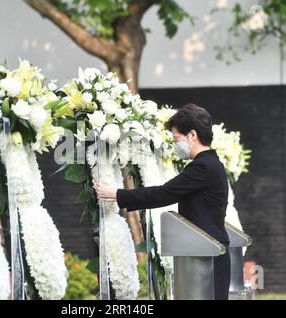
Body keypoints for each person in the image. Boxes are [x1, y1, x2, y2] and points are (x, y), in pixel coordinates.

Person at [95, 103, 231, 300]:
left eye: (176, 139)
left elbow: (164, 193)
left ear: (192, 135)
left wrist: (117, 194)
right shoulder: (210, 164)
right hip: (206, 254)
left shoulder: (203, 167)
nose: (176, 145)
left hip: (207, 258)